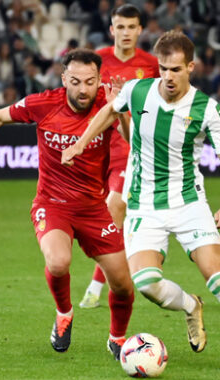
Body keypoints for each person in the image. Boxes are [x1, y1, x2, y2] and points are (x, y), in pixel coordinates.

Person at [62, 31, 220, 378]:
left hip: (189, 203)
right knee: (146, 283)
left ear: (191, 67)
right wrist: (80, 143)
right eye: (163, 68)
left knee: (219, 277)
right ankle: (190, 305)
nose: (168, 76)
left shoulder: (207, 108)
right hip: (144, 205)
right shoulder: (138, 90)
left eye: (176, 69)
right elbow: (107, 112)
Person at [0, 48, 135, 359]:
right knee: (57, 261)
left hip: (94, 208)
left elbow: (130, 137)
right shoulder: (44, 104)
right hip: (52, 203)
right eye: (76, 81)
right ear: (63, 79)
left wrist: (120, 108)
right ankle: (64, 313)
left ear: (99, 80)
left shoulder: (106, 104)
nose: (83, 89)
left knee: (123, 284)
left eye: (90, 81)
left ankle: (118, 338)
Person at [79, 3, 160, 310]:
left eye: (132, 27)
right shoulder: (96, 61)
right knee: (100, 218)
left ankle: (98, 285)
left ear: (140, 30)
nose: (126, 33)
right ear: (112, 30)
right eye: (120, 27)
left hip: (130, 148)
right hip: (97, 150)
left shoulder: (152, 65)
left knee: (114, 209)